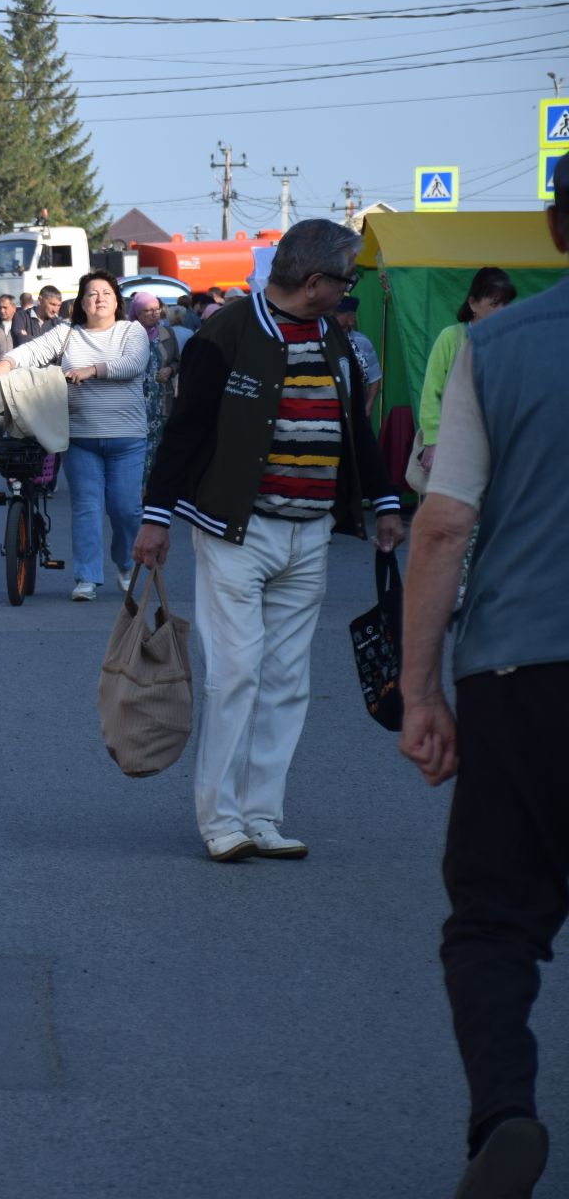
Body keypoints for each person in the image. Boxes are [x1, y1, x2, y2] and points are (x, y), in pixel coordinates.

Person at [398, 156, 569, 1199]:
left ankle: (506, 1109)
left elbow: (445, 522)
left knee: (494, 918)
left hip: (523, 670)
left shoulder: (492, 347)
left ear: (558, 225)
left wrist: (421, 692)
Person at [134, 219, 404, 863]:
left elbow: (355, 429)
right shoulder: (225, 332)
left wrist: (385, 501)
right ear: (316, 282)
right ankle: (220, 818)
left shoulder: (333, 339)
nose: (349, 288)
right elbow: (186, 429)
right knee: (235, 675)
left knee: (287, 679)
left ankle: (262, 814)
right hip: (236, 532)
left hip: (309, 535)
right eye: (346, 277)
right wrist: (155, 517)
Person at [0, 270, 149, 602]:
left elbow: (134, 363)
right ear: (82, 303)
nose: (99, 298)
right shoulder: (68, 334)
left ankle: (126, 564)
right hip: (80, 437)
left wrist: (92, 370)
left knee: (125, 509)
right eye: (91, 294)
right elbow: (32, 351)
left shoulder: (132, 331)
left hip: (127, 438)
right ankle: (87, 577)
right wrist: (4, 364)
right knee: (86, 507)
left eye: (105, 292)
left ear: (117, 301)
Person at [417, 267, 517, 480]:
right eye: (494, 304)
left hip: (499, 442)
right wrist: (432, 441)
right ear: (472, 303)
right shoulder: (451, 338)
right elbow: (431, 392)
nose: (502, 310)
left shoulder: (513, 342)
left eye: (506, 304)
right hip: (455, 442)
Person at [127, 291, 179, 478]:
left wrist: (170, 370)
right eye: (147, 311)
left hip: (160, 401)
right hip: (135, 402)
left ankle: (153, 492)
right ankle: (135, 491)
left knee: (159, 447)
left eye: (156, 310)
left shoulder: (167, 332)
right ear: (137, 313)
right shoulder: (127, 333)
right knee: (137, 448)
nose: (154, 314)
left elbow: (177, 361)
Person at [333, 295, 381, 415]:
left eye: (338, 314)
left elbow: (374, 377)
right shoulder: (324, 339)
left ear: (351, 318)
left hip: (357, 402)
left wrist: (369, 405)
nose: (332, 316)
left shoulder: (362, 341)